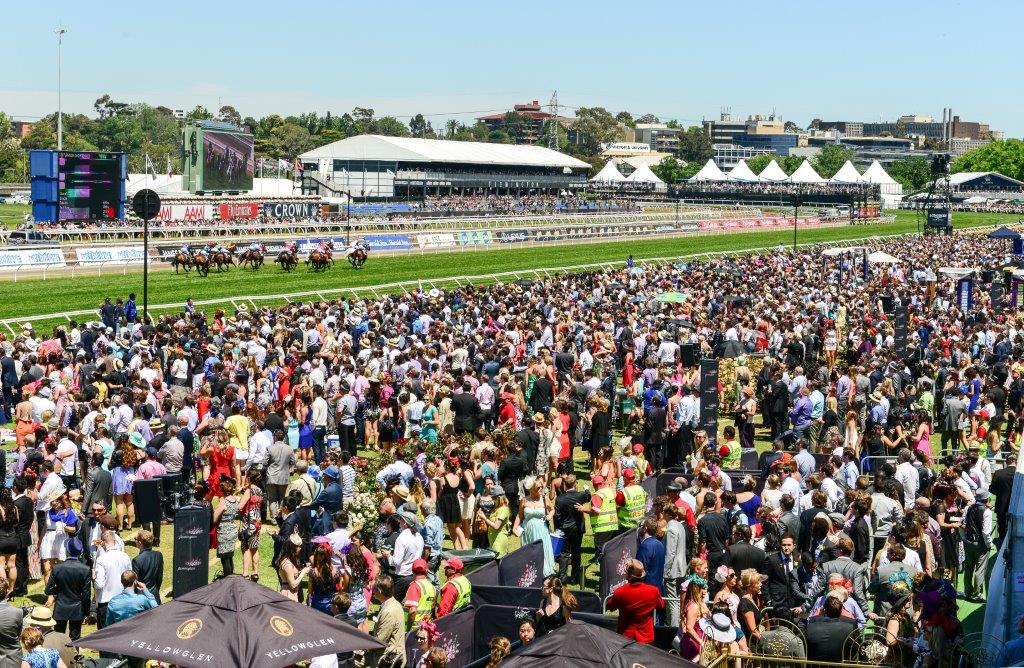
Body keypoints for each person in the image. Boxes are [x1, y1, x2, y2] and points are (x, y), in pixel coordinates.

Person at [606, 559, 664, 645]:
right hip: (646, 638)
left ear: (628, 574)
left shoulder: (620, 592)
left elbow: (610, 607)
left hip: (626, 637)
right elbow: (661, 606)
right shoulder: (653, 591)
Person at [44, 538, 90, 640]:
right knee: (75, 639)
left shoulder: (57, 568)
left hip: (61, 607)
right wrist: (86, 612)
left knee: (58, 639)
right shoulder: (85, 569)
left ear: (67, 551)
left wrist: (60, 590)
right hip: (77, 609)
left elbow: (48, 590)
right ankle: (75, 656)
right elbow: (86, 594)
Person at [513, 477, 555, 577]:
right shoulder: (524, 500)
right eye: (538, 488)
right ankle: (530, 574)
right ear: (531, 489)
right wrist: (515, 527)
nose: (541, 489)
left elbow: (552, 509)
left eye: (542, 487)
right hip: (528, 531)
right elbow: (519, 515)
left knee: (542, 551)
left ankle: (544, 574)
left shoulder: (544, 499)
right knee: (529, 553)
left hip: (541, 531)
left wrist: (549, 515)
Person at [92, 530, 132, 630]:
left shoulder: (101, 559)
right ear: (114, 541)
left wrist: (94, 579)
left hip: (106, 603)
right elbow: (131, 578)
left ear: (102, 542)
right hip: (124, 600)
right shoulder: (125, 556)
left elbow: (99, 584)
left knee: (104, 637)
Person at [368, 576, 407, 668]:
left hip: (387, 660)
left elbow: (380, 641)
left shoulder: (388, 611)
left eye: (374, 589)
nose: (372, 591)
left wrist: (366, 646)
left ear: (379, 591)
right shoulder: (395, 603)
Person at [963, 488, 994, 602]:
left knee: (969, 568)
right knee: (980, 570)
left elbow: (964, 524)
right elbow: (986, 532)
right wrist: (989, 544)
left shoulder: (968, 508)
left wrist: (965, 539)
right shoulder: (987, 512)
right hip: (980, 544)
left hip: (969, 542)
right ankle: (976, 595)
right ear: (987, 499)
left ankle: (967, 592)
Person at [805, 595, 856, 664]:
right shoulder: (850, 628)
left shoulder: (810, 627)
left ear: (824, 610)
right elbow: (856, 652)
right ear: (841, 611)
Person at [131, 530, 163, 604]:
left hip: (142, 597)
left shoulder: (137, 560)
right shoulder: (158, 555)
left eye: (136, 539)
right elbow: (159, 578)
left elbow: (135, 582)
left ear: (140, 543)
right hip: (155, 595)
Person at [403, 559, 436, 629]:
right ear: (427, 571)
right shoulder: (432, 587)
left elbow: (412, 611)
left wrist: (408, 629)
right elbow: (433, 608)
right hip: (426, 627)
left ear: (412, 570)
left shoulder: (415, 586)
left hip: (415, 628)